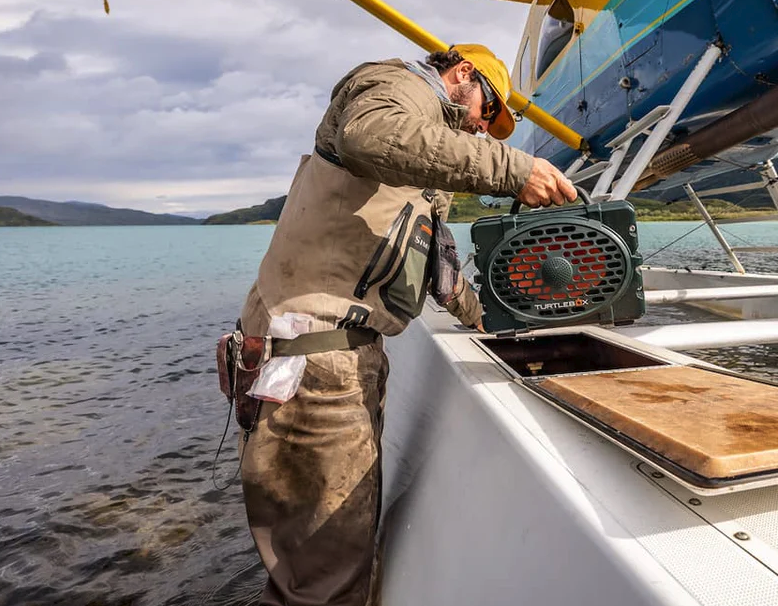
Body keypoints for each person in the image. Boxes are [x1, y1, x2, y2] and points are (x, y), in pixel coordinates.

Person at [233, 44, 577, 606]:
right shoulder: (399, 85)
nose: (483, 128)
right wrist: (513, 170)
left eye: (492, 127)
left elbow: (442, 275)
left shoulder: (420, 173)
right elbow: (368, 135)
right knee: (325, 577)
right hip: (312, 360)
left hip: (338, 357)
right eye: (487, 111)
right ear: (462, 74)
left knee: (328, 558)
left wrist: (494, 322)